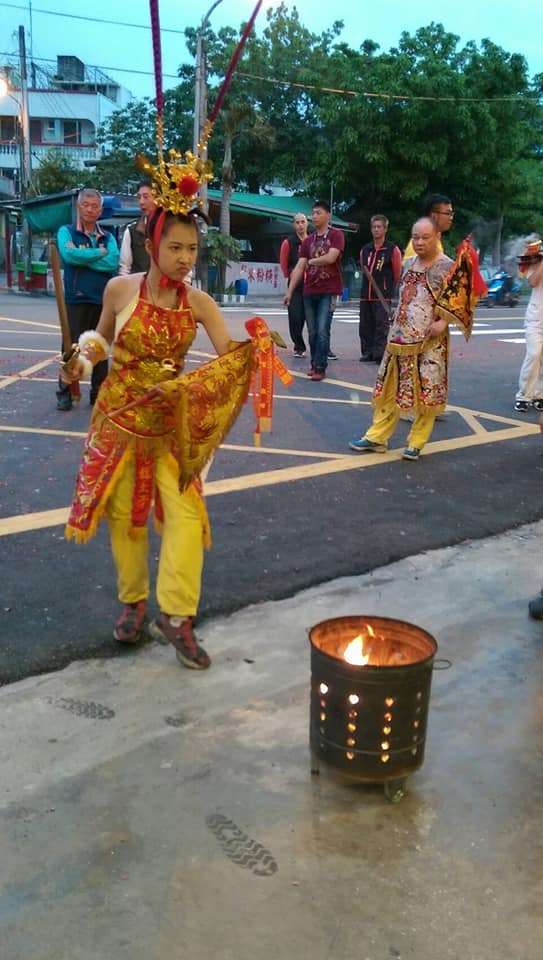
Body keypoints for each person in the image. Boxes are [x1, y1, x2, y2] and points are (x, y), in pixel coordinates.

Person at [60, 186, 264, 670]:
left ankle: (176, 615)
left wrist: (257, 347)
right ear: (152, 245)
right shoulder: (120, 290)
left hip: (170, 426)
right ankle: (133, 603)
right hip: (118, 418)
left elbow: (228, 360)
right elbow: (100, 340)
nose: (185, 258)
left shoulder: (200, 303)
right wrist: (78, 363)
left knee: (187, 518)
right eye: (175, 247)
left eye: (191, 248)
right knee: (124, 518)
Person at [348, 218, 474, 461]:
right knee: (388, 388)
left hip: (430, 340)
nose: (419, 242)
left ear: (437, 237)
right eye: (415, 237)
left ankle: (416, 442)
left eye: (425, 237)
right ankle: (377, 437)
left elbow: (461, 299)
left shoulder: (447, 267)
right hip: (399, 337)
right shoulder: (408, 263)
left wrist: (442, 323)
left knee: (427, 390)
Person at [55, 188, 119, 411]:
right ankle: (65, 391)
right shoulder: (66, 232)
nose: (90, 210)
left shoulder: (108, 236)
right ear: (78, 207)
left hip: (103, 300)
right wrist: (99, 253)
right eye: (86, 205)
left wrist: (84, 257)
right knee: (70, 347)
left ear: (100, 210)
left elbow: (112, 262)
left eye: (95, 206)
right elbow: (69, 256)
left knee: (99, 348)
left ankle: (97, 393)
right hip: (77, 298)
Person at [285, 200, 345, 381]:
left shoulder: (336, 235)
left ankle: (320, 367)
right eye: (314, 213)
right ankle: (314, 364)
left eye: (318, 213)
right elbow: (299, 267)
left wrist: (311, 261)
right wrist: (289, 292)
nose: (315, 216)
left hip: (328, 290)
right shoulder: (308, 241)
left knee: (322, 329)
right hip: (309, 290)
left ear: (328, 215)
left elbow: (331, 257)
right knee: (312, 331)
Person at [359, 214, 402, 363]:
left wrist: (388, 288)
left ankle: (379, 353)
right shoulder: (365, 249)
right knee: (365, 325)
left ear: (385, 229)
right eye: (374, 227)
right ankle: (367, 352)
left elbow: (397, 273)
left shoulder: (392, 249)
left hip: (382, 295)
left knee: (381, 325)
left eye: (379, 227)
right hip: (366, 294)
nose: (376, 230)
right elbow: (363, 268)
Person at [514, 239, 543, 412]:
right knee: (534, 354)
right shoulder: (536, 261)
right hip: (535, 319)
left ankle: (539, 395)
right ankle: (523, 396)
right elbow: (532, 282)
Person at [279, 212, 309, 357]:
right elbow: (284, 263)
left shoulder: (313, 241)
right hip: (295, 286)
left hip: (312, 285)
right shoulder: (288, 242)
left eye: (303, 222)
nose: (300, 225)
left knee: (311, 319)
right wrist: (289, 276)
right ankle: (299, 346)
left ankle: (321, 348)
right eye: (297, 222)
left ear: (307, 223)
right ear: (293, 225)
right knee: (295, 317)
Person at [119, 181, 157, 276]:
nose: (141, 202)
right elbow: (125, 268)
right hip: (139, 284)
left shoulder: (171, 229)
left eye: (146, 197)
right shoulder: (132, 231)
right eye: (139, 197)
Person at [403, 193, 454, 261]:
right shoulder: (422, 243)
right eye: (448, 213)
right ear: (434, 216)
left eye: (452, 214)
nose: (451, 218)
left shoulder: (435, 240)